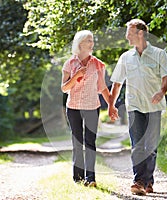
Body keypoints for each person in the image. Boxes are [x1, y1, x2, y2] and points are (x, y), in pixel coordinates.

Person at [109, 19, 167, 195]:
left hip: (154, 107)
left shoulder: (159, 54)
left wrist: (162, 91)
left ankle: (148, 181)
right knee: (137, 145)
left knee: (151, 147)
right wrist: (111, 104)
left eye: (129, 33)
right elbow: (117, 83)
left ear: (140, 33)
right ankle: (138, 181)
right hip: (134, 106)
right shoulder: (125, 57)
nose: (126, 37)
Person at [61, 30, 114, 187]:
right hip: (73, 107)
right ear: (80, 44)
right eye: (89, 40)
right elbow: (64, 88)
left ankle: (91, 178)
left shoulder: (98, 64)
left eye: (92, 40)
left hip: (92, 106)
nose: (92, 43)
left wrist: (111, 105)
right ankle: (78, 178)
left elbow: (103, 87)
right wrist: (76, 75)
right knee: (77, 142)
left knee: (90, 141)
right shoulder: (69, 64)